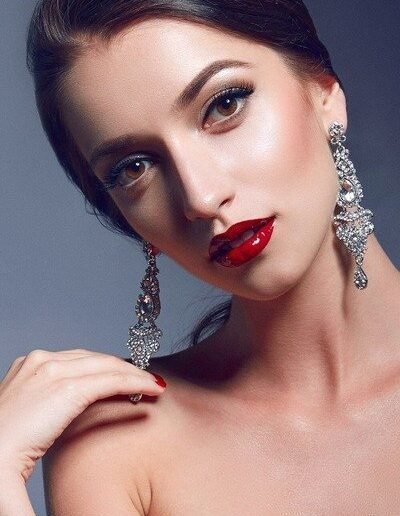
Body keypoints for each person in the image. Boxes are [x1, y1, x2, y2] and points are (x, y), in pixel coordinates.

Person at [1, 0, 399, 514]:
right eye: (134, 167)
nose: (201, 196)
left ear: (324, 93)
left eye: (224, 105)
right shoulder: (118, 446)